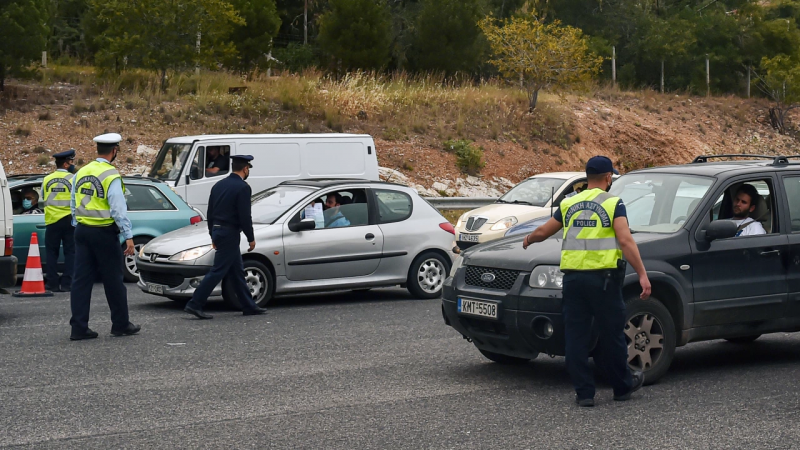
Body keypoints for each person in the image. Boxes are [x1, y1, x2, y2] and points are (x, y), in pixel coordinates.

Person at [522, 156, 651, 407]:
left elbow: (544, 231)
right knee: (612, 335)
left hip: (573, 280)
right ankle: (622, 387)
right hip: (604, 280)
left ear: (587, 177)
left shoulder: (569, 203)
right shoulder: (613, 203)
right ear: (607, 178)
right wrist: (643, 274)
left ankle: (584, 393)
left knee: (576, 337)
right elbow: (625, 241)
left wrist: (529, 239)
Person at [68, 133, 140, 341]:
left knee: (80, 281)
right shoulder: (110, 175)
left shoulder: (81, 172)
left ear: (97, 150)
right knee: (113, 280)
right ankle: (120, 324)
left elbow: (73, 201)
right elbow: (118, 209)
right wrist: (128, 236)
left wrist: (77, 223)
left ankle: (79, 328)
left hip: (82, 231)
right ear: (114, 151)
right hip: (103, 232)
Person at [184, 155, 267, 319]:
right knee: (218, 270)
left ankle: (248, 305)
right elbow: (244, 216)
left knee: (237, 271)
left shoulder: (218, 185)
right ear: (245, 169)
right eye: (248, 168)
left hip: (218, 230)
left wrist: (212, 234)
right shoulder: (243, 188)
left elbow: (210, 212)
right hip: (229, 233)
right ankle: (195, 303)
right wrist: (251, 237)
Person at [42, 149, 77, 292]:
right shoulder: (73, 178)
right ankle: (67, 283)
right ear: (66, 164)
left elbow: (43, 198)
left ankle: (52, 283)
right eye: (71, 161)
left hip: (52, 221)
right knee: (71, 252)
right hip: (69, 220)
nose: (73, 164)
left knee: (51, 253)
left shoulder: (47, 179)